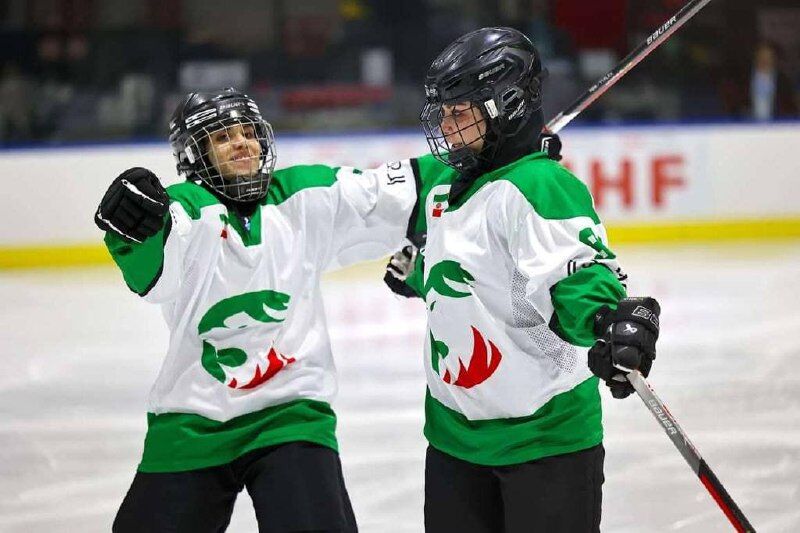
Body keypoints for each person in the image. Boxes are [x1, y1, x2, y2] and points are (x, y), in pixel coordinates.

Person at [94, 88, 421, 532]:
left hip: (289, 415)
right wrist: (139, 229)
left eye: (249, 133)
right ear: (195, 156)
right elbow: (155, 275)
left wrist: (499, 155)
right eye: (224, 137)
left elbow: (409, 186)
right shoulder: (187, 210)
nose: (244, 143)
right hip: (194, 420)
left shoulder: (304, 196)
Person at [383, 27, 660, 532]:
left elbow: (575, 278)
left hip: (544, 442)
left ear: (505, 106)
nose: (446, 128)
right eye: (442, 114)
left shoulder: (539, 184)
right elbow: (468, 275)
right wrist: (418, 273)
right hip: (452, 440)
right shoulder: (447, 187)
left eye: (459, 113)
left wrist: (606, 321)